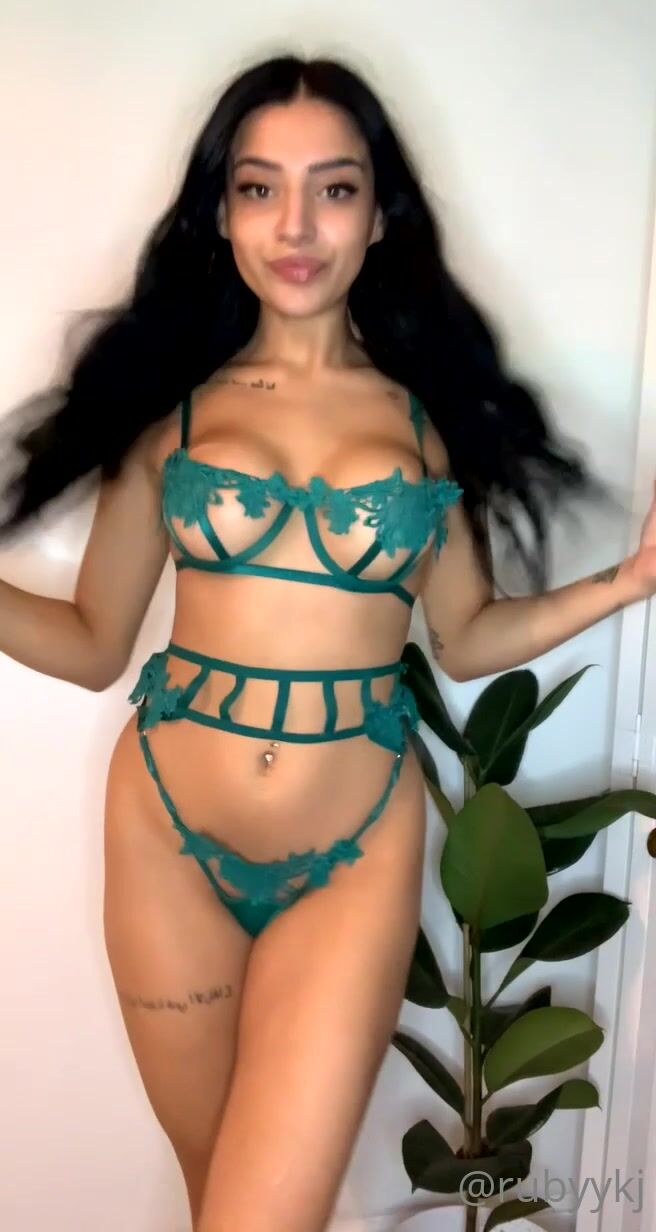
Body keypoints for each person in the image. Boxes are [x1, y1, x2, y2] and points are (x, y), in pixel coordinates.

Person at [1, 52, 655, 1232]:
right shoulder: (171, 412)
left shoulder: (422, 419)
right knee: (217, 1200)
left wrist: (626, 582)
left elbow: (464, 636)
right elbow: (95, 642)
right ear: (219, 214)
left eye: (333, 188)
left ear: (378, 213)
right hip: (165, 835)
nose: (294, 225)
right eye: (258, 187)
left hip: (351, 853)